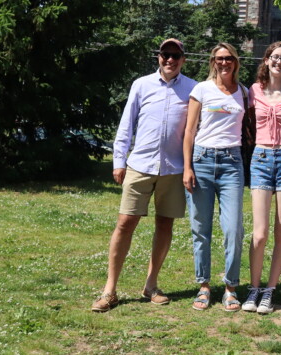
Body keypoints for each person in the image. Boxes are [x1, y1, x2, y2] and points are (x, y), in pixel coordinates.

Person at [91, 38, 196, 312]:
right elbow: (127, 124)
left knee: (165, 225)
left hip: (173, 169)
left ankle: (151, 285)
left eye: (175, 55)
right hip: (140, 165)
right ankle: (109, 290)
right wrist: (118, 161)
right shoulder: (141, 84)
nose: (170, 59)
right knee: (125, 224)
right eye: (165, 54)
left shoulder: (193, 89)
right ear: (158, 57)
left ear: (183, 59)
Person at [182, 42, 247, 312]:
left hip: (232, 162)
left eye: (229, 58)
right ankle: (204, 285)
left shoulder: (243, 91)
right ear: (213, 61)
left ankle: (230, 287)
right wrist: (187, 167)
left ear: (235, 61)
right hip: (202, 160)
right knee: (201, 229)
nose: (224, 63)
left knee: (233, 229)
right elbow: (189, 131)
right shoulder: (201, 89)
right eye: (220, 58)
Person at [243, 41, 281, 315]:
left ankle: (270, 290)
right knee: (260, 232)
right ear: (266, 60)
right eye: (275, 57)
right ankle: (253, 287)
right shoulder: (253, 91)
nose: (279, 61)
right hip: (261, 159)